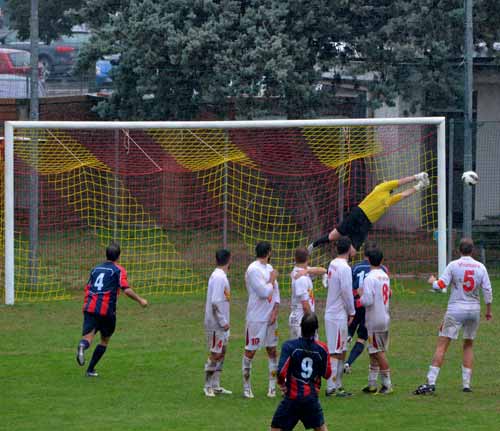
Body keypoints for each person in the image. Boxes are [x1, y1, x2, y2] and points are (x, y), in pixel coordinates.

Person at [414, 238, 492, 395]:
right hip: (474, 310)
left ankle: (431, 381)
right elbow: (488, 291)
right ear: (473, 251)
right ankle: (466, 384)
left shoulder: (454, 265)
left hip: (456, 309)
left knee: (442, 345)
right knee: (468, 344)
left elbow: (440, 286)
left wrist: (432, 281)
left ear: (458, 250)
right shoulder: (480, 267)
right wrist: (488, 310)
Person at [308, 173, 430, 254]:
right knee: (332, 236)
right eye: (386, 181)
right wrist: (416, 176)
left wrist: (419, 186)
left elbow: (404, 194)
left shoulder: (388, 199)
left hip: (366, 224)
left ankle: (330, 270)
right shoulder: (382, 187)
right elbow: (401, 182)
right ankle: (313, 246)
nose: (388, 181)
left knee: (352, 252)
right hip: (359, 213)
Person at [76, 242, 148, 377]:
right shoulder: (118, 270)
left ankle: (82, 346)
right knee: (104, 340)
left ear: (106, 255)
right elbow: (126, 289)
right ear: (118, 256)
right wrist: (140, 300)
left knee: (88, 337)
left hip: (90, 307)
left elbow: (88, 287)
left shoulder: (95, 269)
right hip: (106, 310)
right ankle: (90, 369)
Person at [270, 313, 332, 431]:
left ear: (301, 327)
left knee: (276, 428)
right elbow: (327, 374)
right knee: (321, 428)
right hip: (311, 398)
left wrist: (282, 385)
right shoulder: (322, 349)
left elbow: (281, 371)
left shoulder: (289, 346)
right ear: (316, 330)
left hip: (292, 398)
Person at [242, 241, 280, 398]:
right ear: (269, 252)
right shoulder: (253, 269)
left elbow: (276, 293)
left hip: (270, 317)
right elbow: (264, 292)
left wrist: (275, 311)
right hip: (256, 318)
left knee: (272, 350)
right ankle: (246, 388)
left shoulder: (269, 268)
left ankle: (272, 387)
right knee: (250, 351)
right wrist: (271, 279)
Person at [344, 240, 388, 374]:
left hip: (357, 305)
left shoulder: (355, 268)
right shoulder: (384, 270)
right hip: (373, 309)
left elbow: (351, 288)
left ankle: (341, 357)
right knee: (362, 338)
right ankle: (348, 363)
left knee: (348, 332)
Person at [357, 246, 393, 394]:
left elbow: (368, 300)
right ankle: (372, 384)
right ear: (381, 260)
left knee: (378, 351)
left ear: (368, 260)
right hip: (384, 315)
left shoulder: (369, 278)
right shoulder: (385, 276)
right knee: (373, 351)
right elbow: (388, 294)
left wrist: (360, 295)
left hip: (374, 318)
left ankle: (387, 384)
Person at [324, 236, 356, 397]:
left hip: (337, 313)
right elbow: (346, 291)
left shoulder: (333, 264)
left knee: (342, 349)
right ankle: (331, 387)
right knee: (335, 350)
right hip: (336, 314)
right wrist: (352, 311)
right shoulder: (344, 268)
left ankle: (338, 385)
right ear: (349, 249)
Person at [203, 248, 232, 397]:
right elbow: (215, 302)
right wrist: (223, 321)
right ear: (229, 260)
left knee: (222, 351)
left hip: (221, 324)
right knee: (215, 353)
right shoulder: (219, 277)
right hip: (216, 324)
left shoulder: (219, 275)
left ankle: (216, 384)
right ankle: (207, 385)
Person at [289, 247, 326, 339]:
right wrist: (312, 321)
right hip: (302, 320)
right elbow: (305, 305)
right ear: (308, 258)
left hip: (298, 318)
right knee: (307, 351)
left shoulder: (304, 271)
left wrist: (308, 270)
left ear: (295, 258)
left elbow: (323, 270)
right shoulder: (301, 278)